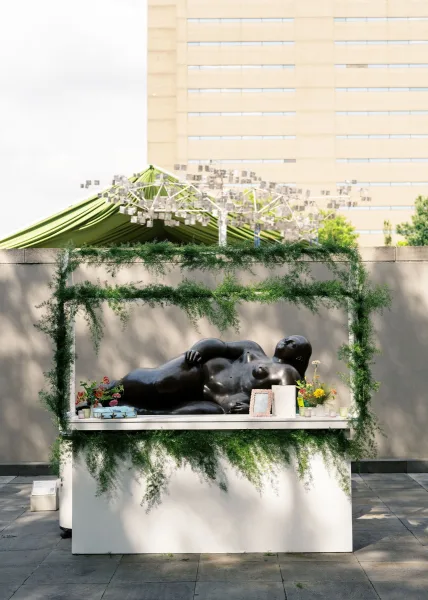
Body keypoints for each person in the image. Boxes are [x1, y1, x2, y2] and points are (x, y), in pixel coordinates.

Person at [102, 335, 312, 415]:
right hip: (198, 370)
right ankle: (107, 393)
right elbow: (220, 345)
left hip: (213, 400)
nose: (285, 341)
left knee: (166, 409)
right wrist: (198, 349)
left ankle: (115, 402)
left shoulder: (288, 373)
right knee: (160, 383)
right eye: (287, 338)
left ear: (300, 358)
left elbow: (285, 405)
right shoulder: (252, 348)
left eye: (293, 343)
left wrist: (254, 408)